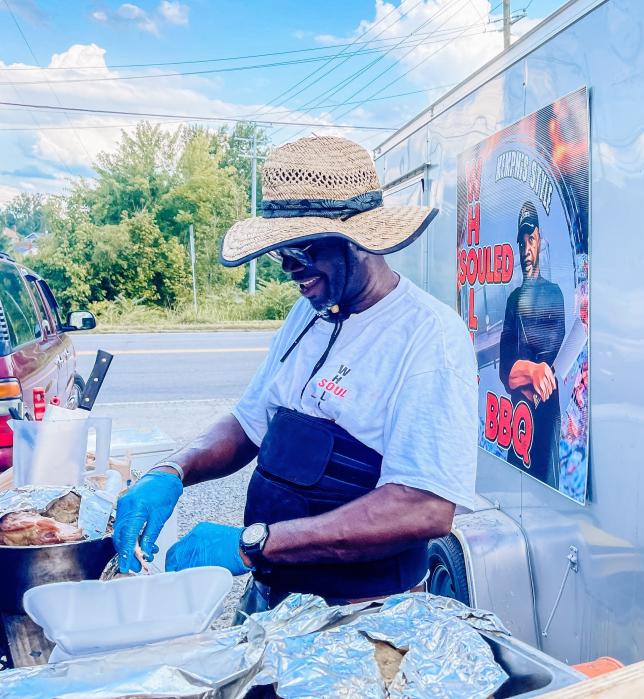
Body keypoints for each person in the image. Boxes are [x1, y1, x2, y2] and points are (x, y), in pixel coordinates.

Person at [112, 136, 478, 609]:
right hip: (272, 597)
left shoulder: (428, 336)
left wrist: (255, 542)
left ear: (360, 240)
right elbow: (250, 422)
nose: (288, 268)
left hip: (360, 615)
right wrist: (172, 470)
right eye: (279, 252)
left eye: (301, 250)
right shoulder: (310, 311)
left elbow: (423, 507)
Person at [498, 202, 565, 487]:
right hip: (517, 426)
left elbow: (548, 372)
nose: (526, 249)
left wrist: (525, 372)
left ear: (540, 241)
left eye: (531, 240)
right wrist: (530, 371)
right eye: (522, 242)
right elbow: (505, 372)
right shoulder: (513, 300)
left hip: (546, 423)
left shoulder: (553, 294)